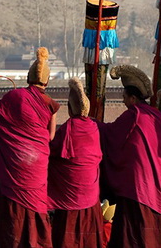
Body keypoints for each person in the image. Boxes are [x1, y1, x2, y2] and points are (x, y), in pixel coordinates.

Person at [0, 47, 59, 247]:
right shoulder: (51, 104)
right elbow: (50, 136)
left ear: (29, 79)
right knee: (36, 215)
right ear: (46, 82)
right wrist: (34, 141)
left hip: (15, 165)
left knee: (12, 224)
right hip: (37, 165)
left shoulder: (16, 97)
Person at [97, 65, 161, 247]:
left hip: (139, 187)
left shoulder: (134, 115)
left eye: (125, 98)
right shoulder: (157, 115)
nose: (124, 102)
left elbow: (110, 134)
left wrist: (92, 123)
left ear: (133, 98)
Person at [48, 77, 104, 247]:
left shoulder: (67, 129)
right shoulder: (94, 127)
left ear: (70, 108)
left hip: (69, 201)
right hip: (91, 199)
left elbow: (49, 153)